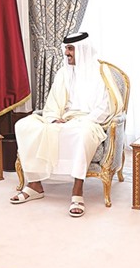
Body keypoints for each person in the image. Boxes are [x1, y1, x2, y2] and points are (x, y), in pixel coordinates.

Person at [9, 32, 118, 217]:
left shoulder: (102, 73)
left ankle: (77, 190)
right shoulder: (63, 72)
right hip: (65, 118)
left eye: (70, 49)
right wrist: (53, 118)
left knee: (81, 133)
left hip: (89, 121)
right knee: (24, 125)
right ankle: (35, 184)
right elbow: (53, 102)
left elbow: (107, 107)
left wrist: (83, 120)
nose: (66, 53)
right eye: (66, 48)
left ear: (82, 49)